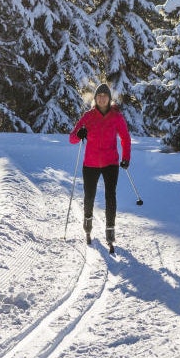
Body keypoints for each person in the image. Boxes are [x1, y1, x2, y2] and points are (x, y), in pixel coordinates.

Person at [69, 83, 131, 250]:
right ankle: (87, 223)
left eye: (105, 95)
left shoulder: (116, 117)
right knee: (89, 196)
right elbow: (72, 138)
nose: (102, 98)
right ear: (95, 99)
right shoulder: (88, 116)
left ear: (109, 99)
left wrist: (126, 158)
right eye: (99, 96)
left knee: (110, 196)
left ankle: (110, 230)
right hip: (91, 163)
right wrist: (79, 134)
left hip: (110, 162)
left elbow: (125, 138)